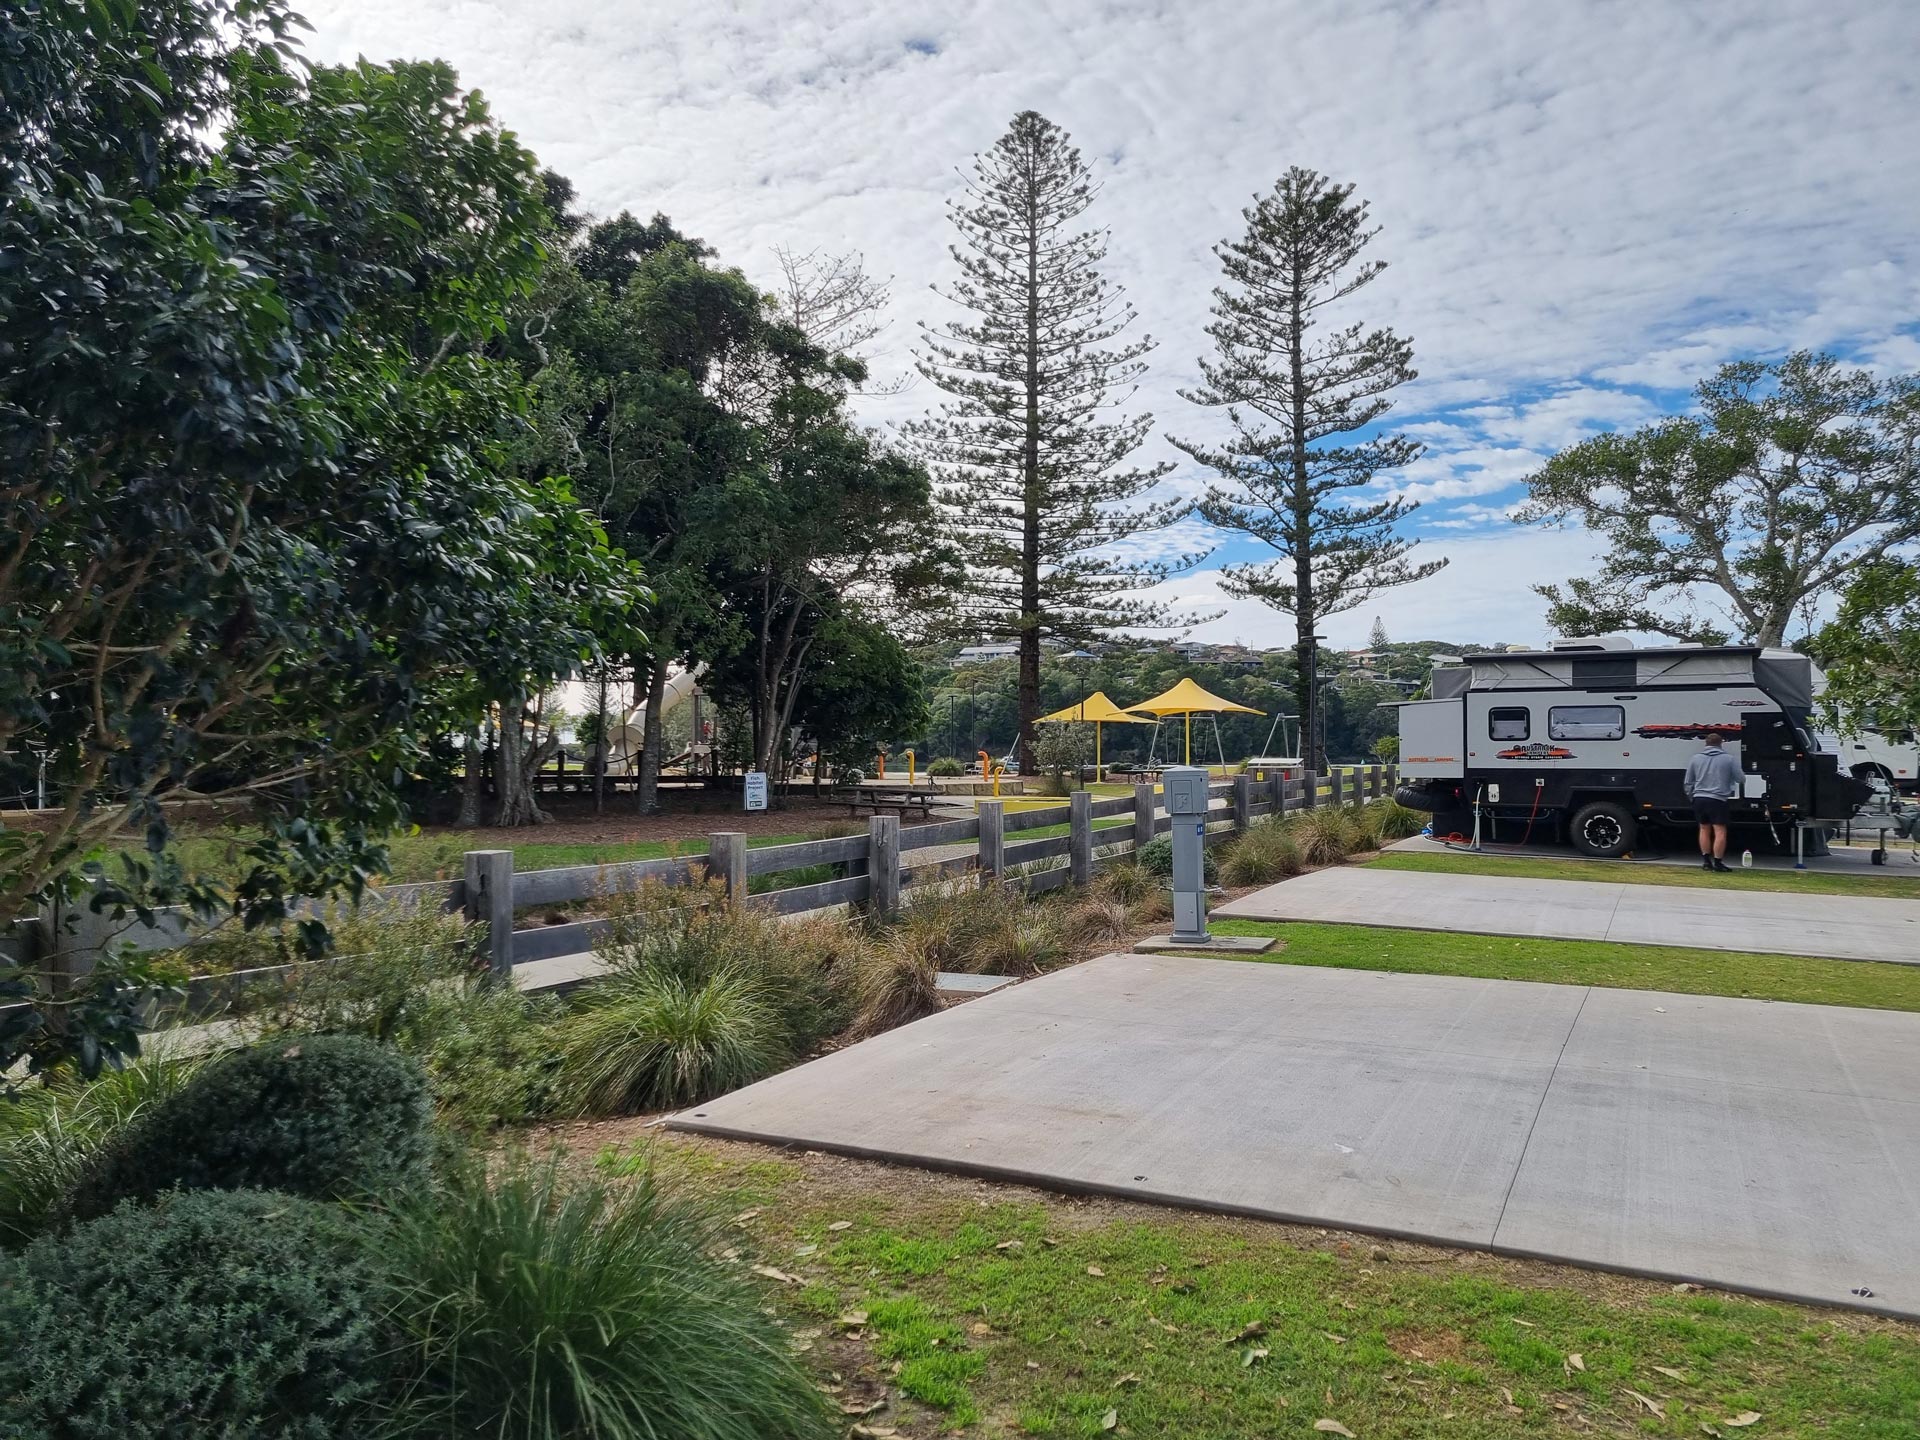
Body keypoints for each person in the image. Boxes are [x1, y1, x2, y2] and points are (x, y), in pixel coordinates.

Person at [1683, 731, 1743, 872]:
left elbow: (1688, 782)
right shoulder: (1729, 759)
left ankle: (1705, 861)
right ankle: (1718, 862)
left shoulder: (1695, 759)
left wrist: (1691, 797)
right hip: (1718, 799)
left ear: (1706, 744)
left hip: (1699, 798)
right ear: (1721, 743)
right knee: (1720, 831)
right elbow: (1741, 778)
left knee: (1704, 828)